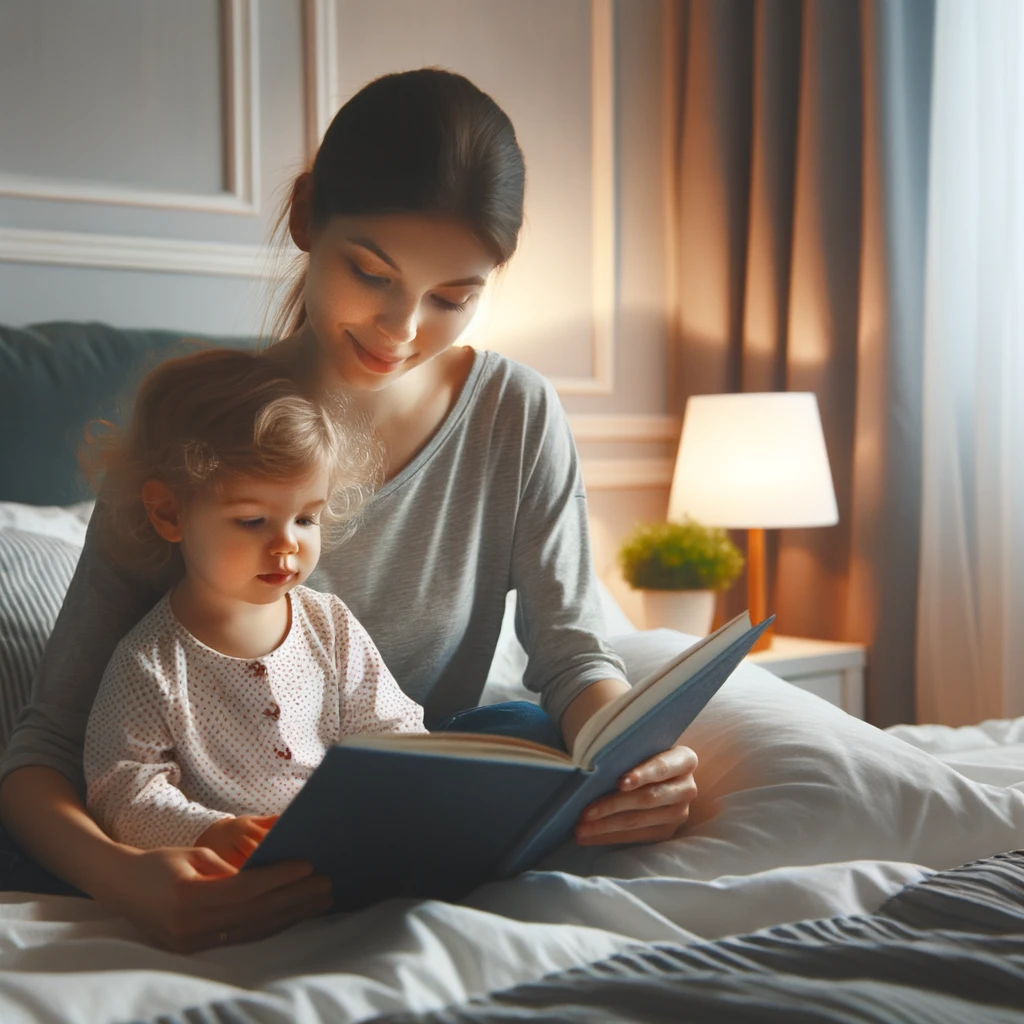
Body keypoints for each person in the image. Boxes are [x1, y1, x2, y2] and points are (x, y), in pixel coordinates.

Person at [0, 68, 699, 952]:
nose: (402, 329)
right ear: (305, 220)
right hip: (213, 817)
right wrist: (129, 882)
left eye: (454, 296)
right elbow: (48, 745)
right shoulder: (197, 435)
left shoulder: (515, 414)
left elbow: (570, 658)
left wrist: (630, 759)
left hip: (410, 792)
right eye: (371, 273)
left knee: (522, 732)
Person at [81, 348, 426, 867]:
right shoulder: (150, 662)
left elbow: (392, 729)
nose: (286, 545)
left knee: (514, 728)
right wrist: (210, 832)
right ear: (170, 512)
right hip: (237, 871)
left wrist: (420, 790)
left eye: (306, 519)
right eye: (252, 520)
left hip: (347, 846)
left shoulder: (328, 625)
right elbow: (122, 791)